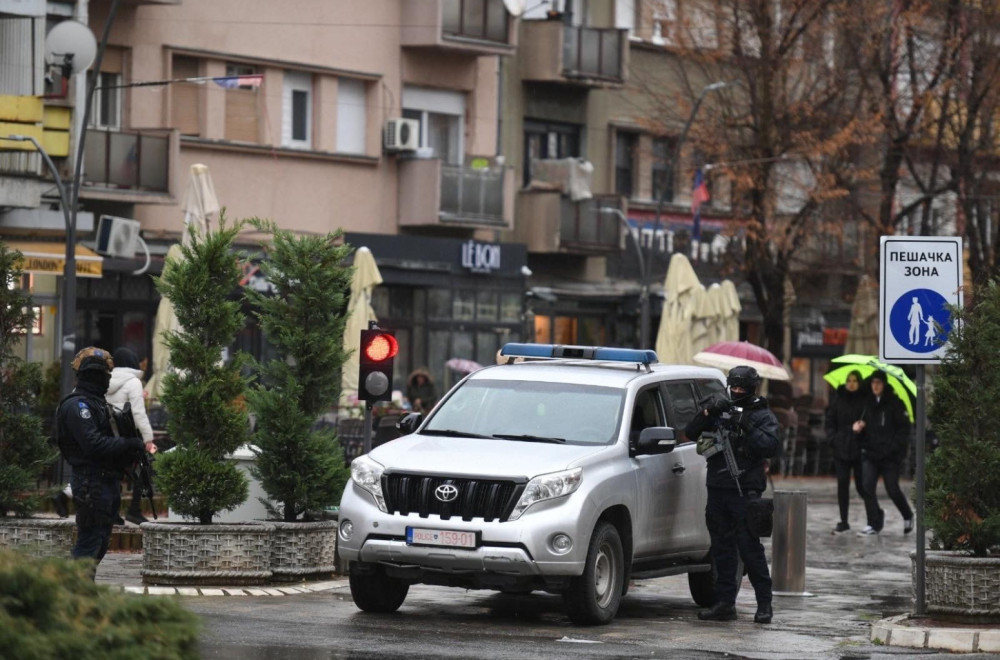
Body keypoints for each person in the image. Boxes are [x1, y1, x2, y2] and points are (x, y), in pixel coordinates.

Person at [685, 366, 781, 624]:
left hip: (744, 490)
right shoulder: (721, 407)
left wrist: (747, 425)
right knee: (722, 550)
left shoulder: (762, 415)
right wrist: (709, 412)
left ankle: (765, 604)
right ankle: (725, 603)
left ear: (752, 388)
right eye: (734, 387)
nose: (737, 392)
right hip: (717, 489)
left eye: (742, 388)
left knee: (750, 549)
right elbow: (691, 431)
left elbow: (771, 446)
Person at [55, 347, 156, 575]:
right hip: (91, 482)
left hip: (106, 482)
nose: (107, 380)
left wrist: (130, 450)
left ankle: (79, 592)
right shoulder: (78, 406)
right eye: (104, 376)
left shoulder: (98, 403)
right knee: (89, 543)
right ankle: (75, 593)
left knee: (100, 542)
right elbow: (94, 445)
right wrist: (129, 444)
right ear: (93, 376)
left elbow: (109, 440)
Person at [852, 370, 913, 536]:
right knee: (867, 487)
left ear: (884, 385)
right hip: (870, 453)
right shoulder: (867, 404)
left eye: (878, 383)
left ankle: (907, 515)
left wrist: (893, 449)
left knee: (892, 488)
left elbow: (903, 430)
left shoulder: (895, 404)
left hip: (889, 456)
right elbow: (861, 423)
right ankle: (874, 522)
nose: (875, 386)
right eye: (873, 383)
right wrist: (858, 428)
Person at [106, 347, 155, 525]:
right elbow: (138, 413)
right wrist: (148, 439)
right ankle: (134, 509)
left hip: (107, 439)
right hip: (128, 439)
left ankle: (113, 512)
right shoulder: (133, 382)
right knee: (144, 467)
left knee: (114, 473)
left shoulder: (105, 380)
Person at [824, 369, 867, 534]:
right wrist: (833, 439)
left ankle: (875, 515)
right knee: (842, 484)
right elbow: (830, 422)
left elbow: (869, 423)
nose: (851, 383)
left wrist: (862, 427)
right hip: (840, 448)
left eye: (855, 380)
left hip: (858, 449)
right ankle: (844, 520)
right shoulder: (837, 399)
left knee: (862, 486)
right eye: (849, 380)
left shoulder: (864, 401)